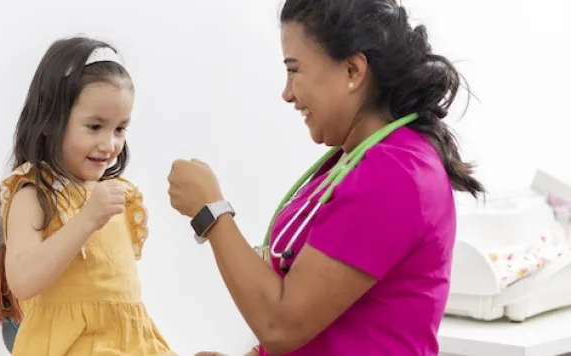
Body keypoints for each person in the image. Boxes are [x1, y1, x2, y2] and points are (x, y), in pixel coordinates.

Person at [167, 0, 484, 355]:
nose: (287, 93)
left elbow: (281, 325)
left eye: (294, 70)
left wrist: (211, 212)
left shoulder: (396, 175)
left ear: (352, 70)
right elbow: (331, 320)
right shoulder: (354, 160)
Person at [0, 36, 173, 355]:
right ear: (51, 120)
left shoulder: (117, 193)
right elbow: (22, 281)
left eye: (119, 129)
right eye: (94, 127)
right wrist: (86, 220)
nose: (109, 144)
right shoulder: (35, 194)